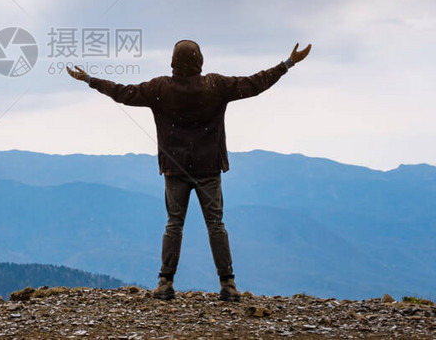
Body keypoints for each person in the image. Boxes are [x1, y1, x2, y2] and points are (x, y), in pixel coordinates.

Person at [66, 40, 311, 301]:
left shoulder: (160, 88)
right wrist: (288, 62)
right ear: (200, 61)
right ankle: (228, 285)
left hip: (175, 170)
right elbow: (255, 84)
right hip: (209, 169)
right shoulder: (216, 86)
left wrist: (90, 79)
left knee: (174, 225)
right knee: (216, 225)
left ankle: (165, 283)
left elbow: (123, 93)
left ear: (173, 62)